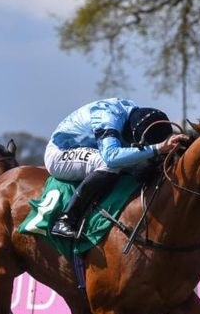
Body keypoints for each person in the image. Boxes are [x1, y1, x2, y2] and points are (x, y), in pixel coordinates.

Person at [44, 98, 190, 238]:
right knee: (109, 164)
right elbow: (111, 157)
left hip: (89, 148)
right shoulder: (108, 118)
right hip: (59, 154)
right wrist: (156, 148)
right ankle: (66, 219)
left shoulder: (138, 116)